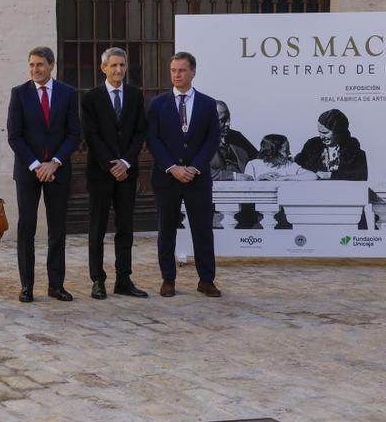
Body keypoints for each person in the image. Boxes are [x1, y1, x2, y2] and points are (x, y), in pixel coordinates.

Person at [7, 46, 81, 303]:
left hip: (58, 172)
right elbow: (14, 136)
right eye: (31, 65)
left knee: (57, 229)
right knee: (26, 228)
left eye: (40, 65)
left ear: (52, 65)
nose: (35, 69)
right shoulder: (19, 94)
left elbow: (74, 134)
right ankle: (26, 285)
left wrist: (55, 163)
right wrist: (37, 165)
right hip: (29, 173)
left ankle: (56, 285)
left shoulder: (68, 94)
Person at [146, 52, 222, 297]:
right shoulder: (158, 104)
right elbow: (153, 139)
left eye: (181, 70)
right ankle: (168, 279)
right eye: (173, 70)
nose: (176, 75)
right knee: (166, 229)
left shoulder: (208, 104)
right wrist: (172, 167)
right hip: (167, 178)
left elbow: (212, 140)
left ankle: (206, 280)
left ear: (193, 72)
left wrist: (194, 167)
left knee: (202, 229)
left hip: (197, 178)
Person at [80, 47, 148, 300]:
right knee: (97, 227)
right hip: (100, 173)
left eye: (122, 65)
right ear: (103, 68)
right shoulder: (92, 97)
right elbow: (91, 134)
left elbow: (140, 131)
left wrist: (126, 162)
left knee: (125, 227)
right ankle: (97, 279)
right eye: (114, 66)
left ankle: (124, 278)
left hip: (127, 174)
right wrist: (111, 164)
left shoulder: (135, 95)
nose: (118, 70)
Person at [295, 109, 368, 180]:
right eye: (319, 132)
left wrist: (330, 175)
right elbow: (299, 165)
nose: (321, 136)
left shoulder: (354, 152)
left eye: (325, 133)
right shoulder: (311, 146)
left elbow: (361, 176)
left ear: (338, 132)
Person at [209, 100, 257, 181]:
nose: (228, 124)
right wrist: (234, 176)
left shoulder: (237, 137)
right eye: (223, 120)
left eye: (228, 118)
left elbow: (258, 158)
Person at [243, 134, 316, 181]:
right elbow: (246, 188)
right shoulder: (253, 165)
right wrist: (260, 179)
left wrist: (284, 178)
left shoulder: (288, 165)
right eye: (285, 151)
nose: (289, 153)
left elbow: (313, 176)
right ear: (272, 152)